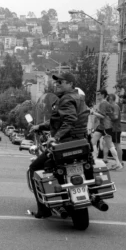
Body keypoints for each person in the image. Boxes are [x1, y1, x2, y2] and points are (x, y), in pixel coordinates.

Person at [28, 72, 90, 219]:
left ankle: (44, 210)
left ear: (70, 84)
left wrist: (55, 138)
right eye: (57, 82)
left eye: (60, 82)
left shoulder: (67, 99)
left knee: (35, 167)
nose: (57, 84)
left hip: (65, 144)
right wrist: (40, 127)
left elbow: (69, 120)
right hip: (80, 142)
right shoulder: (79, 98)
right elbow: (57, 121)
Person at [91, 91, 123, 171]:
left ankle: (118, 163)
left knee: (110, 145)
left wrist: (93, 112)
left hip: (106, 126)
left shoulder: (104, 103)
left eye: (98, 94)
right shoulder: (103, 104)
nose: (97, 96)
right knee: (93, 141)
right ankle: (94, 159)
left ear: (102, 95)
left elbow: (102, 116)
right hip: (102, 126)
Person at [106, 92, 123, 166]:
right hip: (113, 128)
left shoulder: (115, 106)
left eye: (109, 99)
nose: (108, 101)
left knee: (117, 144)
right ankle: (118, 162)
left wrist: (109, 114)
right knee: (114, 144)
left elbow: (115, 117)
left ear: (112, 99)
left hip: (116, 128)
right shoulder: (113, 106)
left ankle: (120, 162)